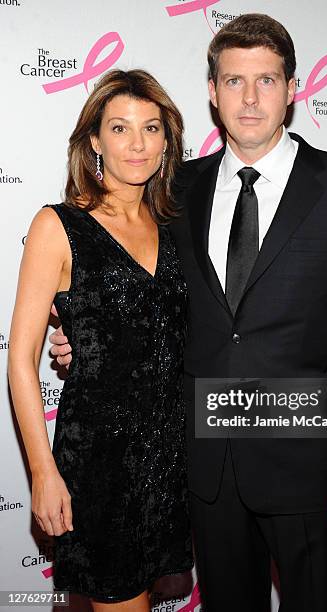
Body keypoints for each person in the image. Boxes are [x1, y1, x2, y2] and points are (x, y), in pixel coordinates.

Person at [50, 14, 327, 612]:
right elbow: (146, 298)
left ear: (293, 89)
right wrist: (85, 340)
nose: (250, 98)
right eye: (234, 81)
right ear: (212, 92)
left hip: (311, 468)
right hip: (207, 469)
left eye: (266, 81)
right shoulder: (174, 191)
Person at [8, 69, 193, 610]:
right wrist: (43, 472)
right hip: (100, 463)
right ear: (94, 140)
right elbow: (21, 360)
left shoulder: (175, 227)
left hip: (171, 457)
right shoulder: (59, 225)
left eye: (152, 128)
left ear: (167, 140)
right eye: (119, 128)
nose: (137, 144)